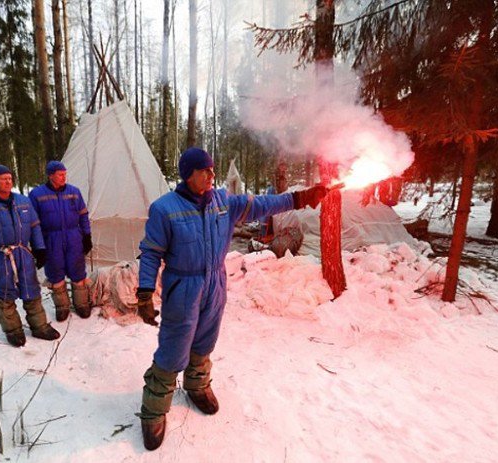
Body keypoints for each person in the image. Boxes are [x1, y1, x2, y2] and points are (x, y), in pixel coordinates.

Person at [135, 147, 329, 450]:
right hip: (182, 287)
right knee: (174, 348)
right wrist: (145, 292)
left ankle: (197, 385)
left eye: (213, 169)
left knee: (205, 341)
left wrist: (301, 197)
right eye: (205, 171)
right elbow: (150, 252)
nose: (212, 175)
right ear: (189, 175)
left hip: (215, 283)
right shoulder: (165, 209)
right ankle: (153, 410)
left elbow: (264, 203)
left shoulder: (224, 202)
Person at [0, 165, 60, 347]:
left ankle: (39, 326)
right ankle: (13, 330)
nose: (8, 181)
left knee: (31, 290)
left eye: (10, 178)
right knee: (4, 293)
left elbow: (34, 226)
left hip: (23, 253)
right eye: (3, 178)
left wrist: (40, 249)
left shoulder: (23, 202)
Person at [29, 161, 93, 322]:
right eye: (60, 174)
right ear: (50, 175)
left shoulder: (74, 192)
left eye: (65, 174)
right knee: (55, 274)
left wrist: (87, 236)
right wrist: (38, 246)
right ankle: (62, 307)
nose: (64, 177)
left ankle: (82, 304)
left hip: (73, 237)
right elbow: (33, 222)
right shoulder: (37, 194)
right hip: (51, 238)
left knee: (78, 271)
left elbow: (83, 215)